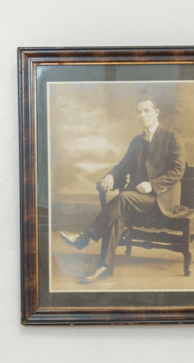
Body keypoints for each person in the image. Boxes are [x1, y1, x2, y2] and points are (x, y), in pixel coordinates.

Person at [71, 95, 186, 283]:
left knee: (123, 198)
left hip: (161, 200)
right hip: (138, 199)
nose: (142, 115)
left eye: (147, 110)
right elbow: (123, 165)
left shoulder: (172, 137)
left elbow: (178, 170)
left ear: (157, 112)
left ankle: (85, 236)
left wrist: (152, 185)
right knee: (116, 217)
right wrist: (110, 175)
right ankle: (104, 267)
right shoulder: (136, 141)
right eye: (139, 112)